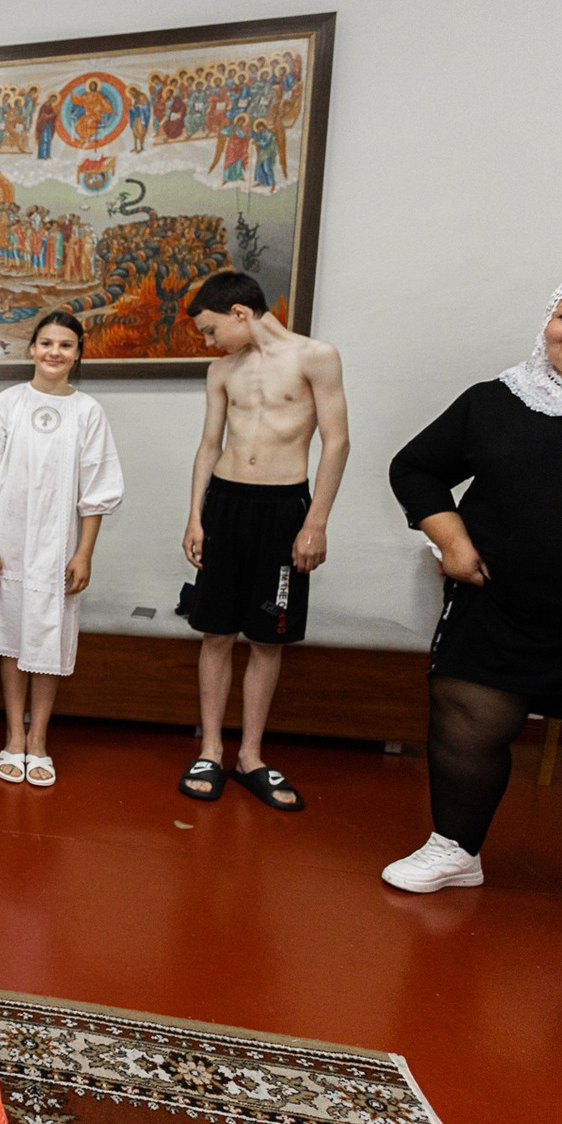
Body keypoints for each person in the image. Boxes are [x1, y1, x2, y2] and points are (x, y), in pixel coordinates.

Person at [385, 265, 562, 971]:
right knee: (465, 720)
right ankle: (455, 849)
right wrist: (451, 541)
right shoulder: (496, 398)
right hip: (500, 605)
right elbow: (415, 468)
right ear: (549, 323)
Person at [179, 271, 349, 810]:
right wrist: (195, 517)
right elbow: (210, 444)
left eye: (211, 330)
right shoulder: (221, 370)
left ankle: (250, 756)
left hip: (283, 509)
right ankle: (210, 749)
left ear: (239, 313)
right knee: (215, 632)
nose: (211, 343)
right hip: (225, 503)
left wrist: (316, 522)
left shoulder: (316, 357)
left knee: (267, 638)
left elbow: (337, 442)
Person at [0, 314, 124, 787]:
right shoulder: (6, 404)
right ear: (32, 349)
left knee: (47, 640)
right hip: (7, 542)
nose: (55, 352)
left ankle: (39, 741)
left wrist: (84, 553)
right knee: (12, 638)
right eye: (47, 343)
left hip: (59, 547)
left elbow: (96, 492)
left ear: (78, 354)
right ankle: (14, 736)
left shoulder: (88, 412)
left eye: (66, 345)